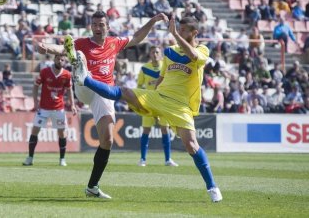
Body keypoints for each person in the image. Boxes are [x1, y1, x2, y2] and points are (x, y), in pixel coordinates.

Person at [71, 16, 223, 202]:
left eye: (184, 30)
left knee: (191, 145)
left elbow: (193, 56)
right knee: (124, 91)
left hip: (180, 106)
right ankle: (85, 79)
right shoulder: (169, 52)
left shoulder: (202, 50)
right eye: (179, 29)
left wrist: (174, 34)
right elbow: (162, 76)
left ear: (195, 33)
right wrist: (153, 98)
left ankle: (212, 187)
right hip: (158, 97)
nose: (180, 32)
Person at [36, 11, 169, 199]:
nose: (98, 28)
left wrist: (152, 21)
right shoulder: (82, 43)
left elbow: (138, 37)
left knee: (107, 140)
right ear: (91, 26)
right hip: (84, 88)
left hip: (103, 93)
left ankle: (92, 186)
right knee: (79, 55)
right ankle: (80, 70)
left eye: (101, 25)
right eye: (95, 24)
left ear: (108, 27)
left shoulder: (114, 43)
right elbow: (60, 48)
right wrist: (46, 47)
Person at [22, 55, 77, 167]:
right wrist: (35, 102)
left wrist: (73, 105)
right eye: (58, 59)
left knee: (62, 133)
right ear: (54, 59)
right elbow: (36, 86)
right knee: (35, 130)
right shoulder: (45, 71)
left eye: (62, 59)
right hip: (44, 108)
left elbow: (69, 90)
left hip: (59, 108)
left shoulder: (66, 74)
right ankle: (30, 158)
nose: (60, 61)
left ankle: (62, 159)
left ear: (65, 61)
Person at [136, 46, 178, 167]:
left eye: (157, 52)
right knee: (146, 130)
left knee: (165, 129)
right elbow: (139, 86)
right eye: (153, 52)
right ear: (149, 54)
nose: (155, 54)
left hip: (162, 102)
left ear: (160, 55)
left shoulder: (165, 67)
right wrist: (140, 102)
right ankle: (143, 159)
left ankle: (168, 159)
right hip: (148, 103)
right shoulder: (144, 68)